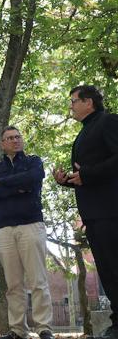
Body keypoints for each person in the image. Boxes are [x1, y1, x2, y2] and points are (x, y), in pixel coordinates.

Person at [53, 85, 118, 339]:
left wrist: (87, 173)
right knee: (107, 270)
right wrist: (67, 180)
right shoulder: (83, 133)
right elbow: (87, 173)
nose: (71, 106)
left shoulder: (109, 122)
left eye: (74, 101)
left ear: (88, 102)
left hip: (112, 209)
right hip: (93, 212)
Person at [0, 126, 53, 339]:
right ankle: (18, 330)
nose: (15, 140)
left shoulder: (33, 162)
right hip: (4, 230)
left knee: (38, 280)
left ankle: (44, 328)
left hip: (31, 226)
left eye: (17, 136)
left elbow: (34, 178)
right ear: (2, 144)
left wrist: (2, 185)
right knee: (13, 284)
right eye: (9, 138)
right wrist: (18, 187)